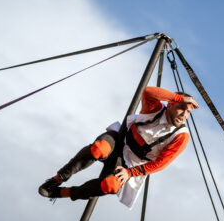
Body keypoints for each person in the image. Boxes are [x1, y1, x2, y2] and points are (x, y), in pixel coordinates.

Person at [38, 86, 198, 206]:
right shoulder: (155, 109)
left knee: (111, 185)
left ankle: (62, 193)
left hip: (129, 164)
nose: (184, 114)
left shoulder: (181, 136)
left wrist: (130, 173)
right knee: (99, 149)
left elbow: (160, 164)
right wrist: (180, 98)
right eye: (181, 108)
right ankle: (56, 179)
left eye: (188, 112)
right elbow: (148, 92)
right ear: (171, 104)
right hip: (119, 140)